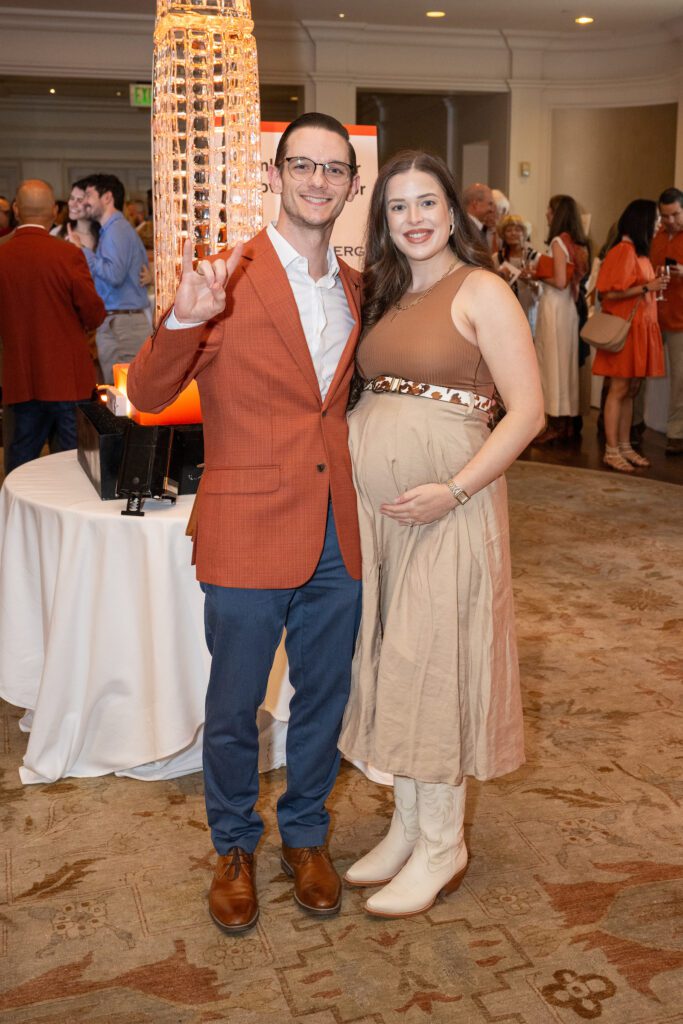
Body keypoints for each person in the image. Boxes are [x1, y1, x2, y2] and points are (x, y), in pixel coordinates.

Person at [127, 112, 363, 934]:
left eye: (333, 169)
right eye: (302, 165)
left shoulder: (357, 286)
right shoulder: (226, 275)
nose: (317, 181)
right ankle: (232, 846)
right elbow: (147, 395)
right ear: (273, 175)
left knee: (325, 695)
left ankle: (305, 834)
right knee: (234, 706)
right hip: (246, 525)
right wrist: (184, 318)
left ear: (351, 185)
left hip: (337, 530)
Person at [337, 151, 544, 919]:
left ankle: (440, 844)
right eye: (397, 207)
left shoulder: (481, 288)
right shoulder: (384, 289)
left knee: (434, 666)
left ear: (452, 211)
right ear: (383, 220)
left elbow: (527, 412)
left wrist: (453, 489)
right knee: (394, 661)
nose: (413, 218)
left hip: (450, 510)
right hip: (384, 518)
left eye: (426, 202)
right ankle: (407, 827)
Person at [0, 180, 105, 475]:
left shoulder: (3, 255)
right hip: (68, 379)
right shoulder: (67, 254)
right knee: (72, 468)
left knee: (20, 469)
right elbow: (94, 312)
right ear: (55, 212)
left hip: (20, 380)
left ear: (17, 210)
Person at [594, 199, 666, 472]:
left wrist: (651, 287)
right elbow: (608, 292)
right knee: (619, 389)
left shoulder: (639, 252)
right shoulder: (623, 251)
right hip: (626, 331)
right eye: (656, 219)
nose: (659, 224)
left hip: (640, 329)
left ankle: (624, 446)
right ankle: (611, 450)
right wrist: (647, 287)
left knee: (630, 391)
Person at [69, 173, 150, 383]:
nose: (84, 202)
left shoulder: (117, 230)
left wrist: (82, 250)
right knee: (118, 391)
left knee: (125, 392)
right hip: (119, 322)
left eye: (89, 195)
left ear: (107, 198)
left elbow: (114, 275)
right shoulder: (112, 230)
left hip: (123, 325)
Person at [531, 194, 590, 443]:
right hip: (568, 309)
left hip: (555, 306)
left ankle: (554, 422)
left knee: (552, 363)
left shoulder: (558, 241)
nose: (546, 213)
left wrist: (534, 274)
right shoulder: (577, 244)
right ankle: (566, 422)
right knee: (565, 365)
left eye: (550, 209)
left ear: (557, 214)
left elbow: (559, 280)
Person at [650, 187, 683, 456]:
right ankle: (634, 425)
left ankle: (676, 433)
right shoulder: (656, 236)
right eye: (665, 215)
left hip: (680, 320)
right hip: (653, 314)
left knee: (680, 380)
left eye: (675, 214)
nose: (670, 220)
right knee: (640, 370)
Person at [494, 213, 540, 333]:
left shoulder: (535, 258)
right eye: (509, 230)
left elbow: (542, 291)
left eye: (518, 230)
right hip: (504, 311)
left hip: (528, 308)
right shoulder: (496, 258)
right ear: (503, 234)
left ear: (524, 233)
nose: (513, 233)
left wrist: (531, 281)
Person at [52, 180, 100, 250]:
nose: (73, 204)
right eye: (72, 198)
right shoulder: (57, 232)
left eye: (80, 200)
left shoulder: (105, 236)